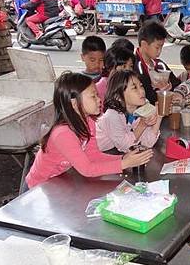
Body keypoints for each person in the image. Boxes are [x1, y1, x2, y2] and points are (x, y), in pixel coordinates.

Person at [24, 72, 153, 189]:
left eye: (97, 95)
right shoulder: (63, 134)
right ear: (74, 103)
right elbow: (87, 169)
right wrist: (125, 163)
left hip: (60, 180)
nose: (99, 100)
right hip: (39, 187)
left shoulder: (88, 122)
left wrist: (124, 158)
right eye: (93, 96)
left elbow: (93, 155)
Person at [97, 70, 162, 153]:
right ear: (118, 95)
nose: (142, 91)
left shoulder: (137, 111)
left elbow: (147, 143)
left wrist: (159, 115)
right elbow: (126, 146)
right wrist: (142, 125)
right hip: (92, 153)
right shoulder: (112, 115)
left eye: (141, 86)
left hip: (110, 151)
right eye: (134, 88)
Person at [134, 22, 181, 105]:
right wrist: (160, 92)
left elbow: (176, 83)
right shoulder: (134, 67)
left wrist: (170, 86)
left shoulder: (160, 65)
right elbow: (142, 96)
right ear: (144, 44)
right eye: (157, 47)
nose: (159, 51)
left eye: (161, 47)